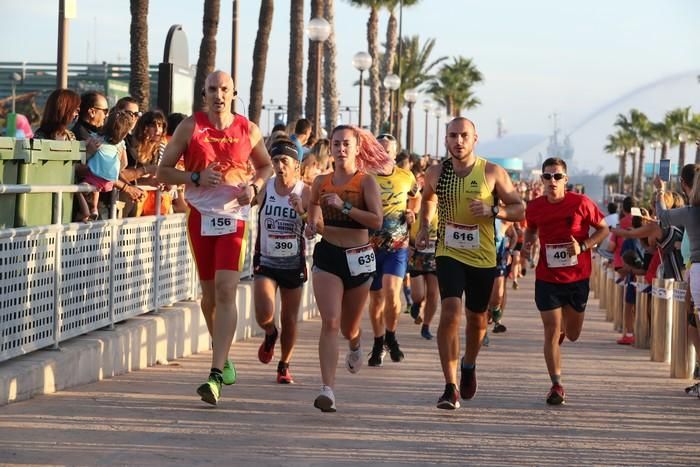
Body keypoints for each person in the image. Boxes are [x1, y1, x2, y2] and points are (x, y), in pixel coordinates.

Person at [157, 70, 273, 405]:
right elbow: (162, 171)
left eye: (224, 89)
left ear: (233, 93)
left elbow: (264, 166)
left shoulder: (247, 129)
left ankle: (215, 374)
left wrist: (255, 186)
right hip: (199, 217)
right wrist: (194, 175)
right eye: (212, 89)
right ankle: (223, 356)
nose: (218, 94)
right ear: (204, 93)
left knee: (226, 290)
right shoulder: (190, 127)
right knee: (208, 296)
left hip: (234, 217)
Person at [416, 117, 525, 409]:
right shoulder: (437, 172)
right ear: (446, 139)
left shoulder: (492, 172)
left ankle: (469, 365)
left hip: (483, 256)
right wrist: (425, 226)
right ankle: (449, 386)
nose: (458, 141)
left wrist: (494, 210)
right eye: (453, 135)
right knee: (450, 311)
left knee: (477, 319)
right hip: (448, 251)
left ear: (475, 138)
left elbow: (518, 208)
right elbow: (427, 200)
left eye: (464, 135)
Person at [305, 124, 389, 412]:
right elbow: (315, 220)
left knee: (347, 326)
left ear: (356, 149)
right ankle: (327, 389)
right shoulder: (320, 182)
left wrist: (343, 207)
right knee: (329, 321)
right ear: (330, 147)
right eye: (336, 143)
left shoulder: (366, 182)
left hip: (359, 257)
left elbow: (377, 222)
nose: (341, 149)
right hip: (328, 255)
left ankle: (355, 343)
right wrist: (309, 225)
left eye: (346, 144)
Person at [524, 157, 609, 405]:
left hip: (577, 278)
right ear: (542, 179)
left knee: (572, 334)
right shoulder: (535, 206)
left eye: (557, 176)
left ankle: (563, 331)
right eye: (548, 176)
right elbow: (531, 227)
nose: (552, 181)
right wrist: (528, 241)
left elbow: (603, 230)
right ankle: (556, 385)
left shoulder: (581, 203)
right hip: (547, 277)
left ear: (566, 180)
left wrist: (583, 246)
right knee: (550, 329)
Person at [253, 137, 310, 384]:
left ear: (296, 164)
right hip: (266, 260)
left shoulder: (305, 191)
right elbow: (244, 201)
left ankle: (284, 364)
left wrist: (303, 212)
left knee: (289, 318)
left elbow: (314, 228)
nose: (279, 166)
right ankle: (269, 332)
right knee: (264, 315)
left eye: (284, 161)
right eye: (275, 160)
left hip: (293, 263)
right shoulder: (266, 186)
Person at [366, 142, 419, 367]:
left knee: (392, 291)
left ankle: (391, 335)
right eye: (379, 149)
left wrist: (412, 212)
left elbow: (416, 197)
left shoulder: (406, 177)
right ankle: (379, 343)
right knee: (376, 298)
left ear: (394, 154)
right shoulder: (366, 177)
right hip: (371, 246)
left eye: (387, 150)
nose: (383, 153)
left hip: (398, 244)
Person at [655, 164, 700, 397]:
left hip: (696, 271)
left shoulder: (691, 212)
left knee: (694, 323)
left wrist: (659, 191)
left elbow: (662, 216)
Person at [80, 110, 132, 220]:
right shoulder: (121, 144)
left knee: (79, 188)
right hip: (110, 182)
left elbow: (83, 150)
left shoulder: (95, 138)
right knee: (96, 189)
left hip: (93, 176)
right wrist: (115, 170)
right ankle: (94, 209)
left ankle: (88, 211)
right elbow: (125, 163)